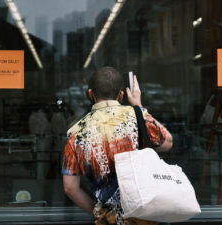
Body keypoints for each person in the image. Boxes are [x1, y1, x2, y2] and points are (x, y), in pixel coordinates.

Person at [61, 67, 173, 225]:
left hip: (109, 219)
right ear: (121, 95)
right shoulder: (136, 116)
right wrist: (139, 106)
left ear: (90, 94)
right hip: (147, 217)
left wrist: (100, 211)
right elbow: (167, 143)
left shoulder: (75, 133)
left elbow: (70, 188)